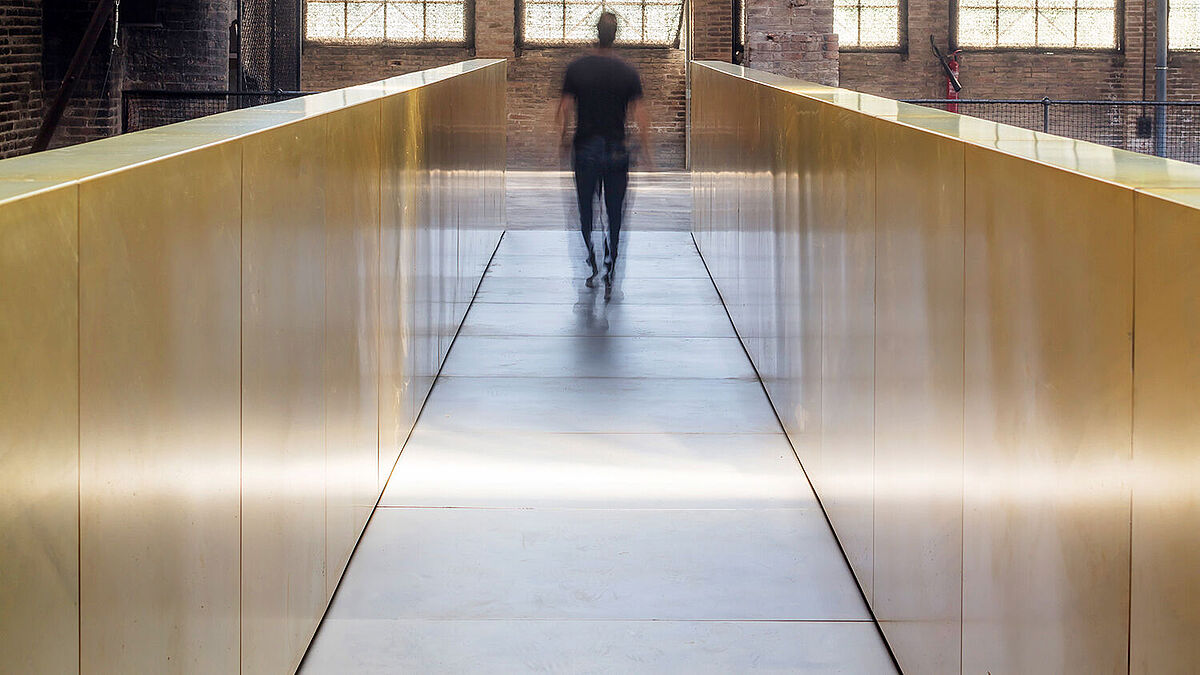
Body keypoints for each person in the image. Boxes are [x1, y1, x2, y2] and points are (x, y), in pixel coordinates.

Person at [557, 11, 653, 299]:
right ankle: (611, 267)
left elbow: (563, 109)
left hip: (585, 148)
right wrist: (648, 154)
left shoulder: (577, 68)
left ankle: (592, 264)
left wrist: (562, 142)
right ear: (616, 35)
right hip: (616, 150)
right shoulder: (627, 72)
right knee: (614, 213)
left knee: (586, 210)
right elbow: (640, 116)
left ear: (595, 32)